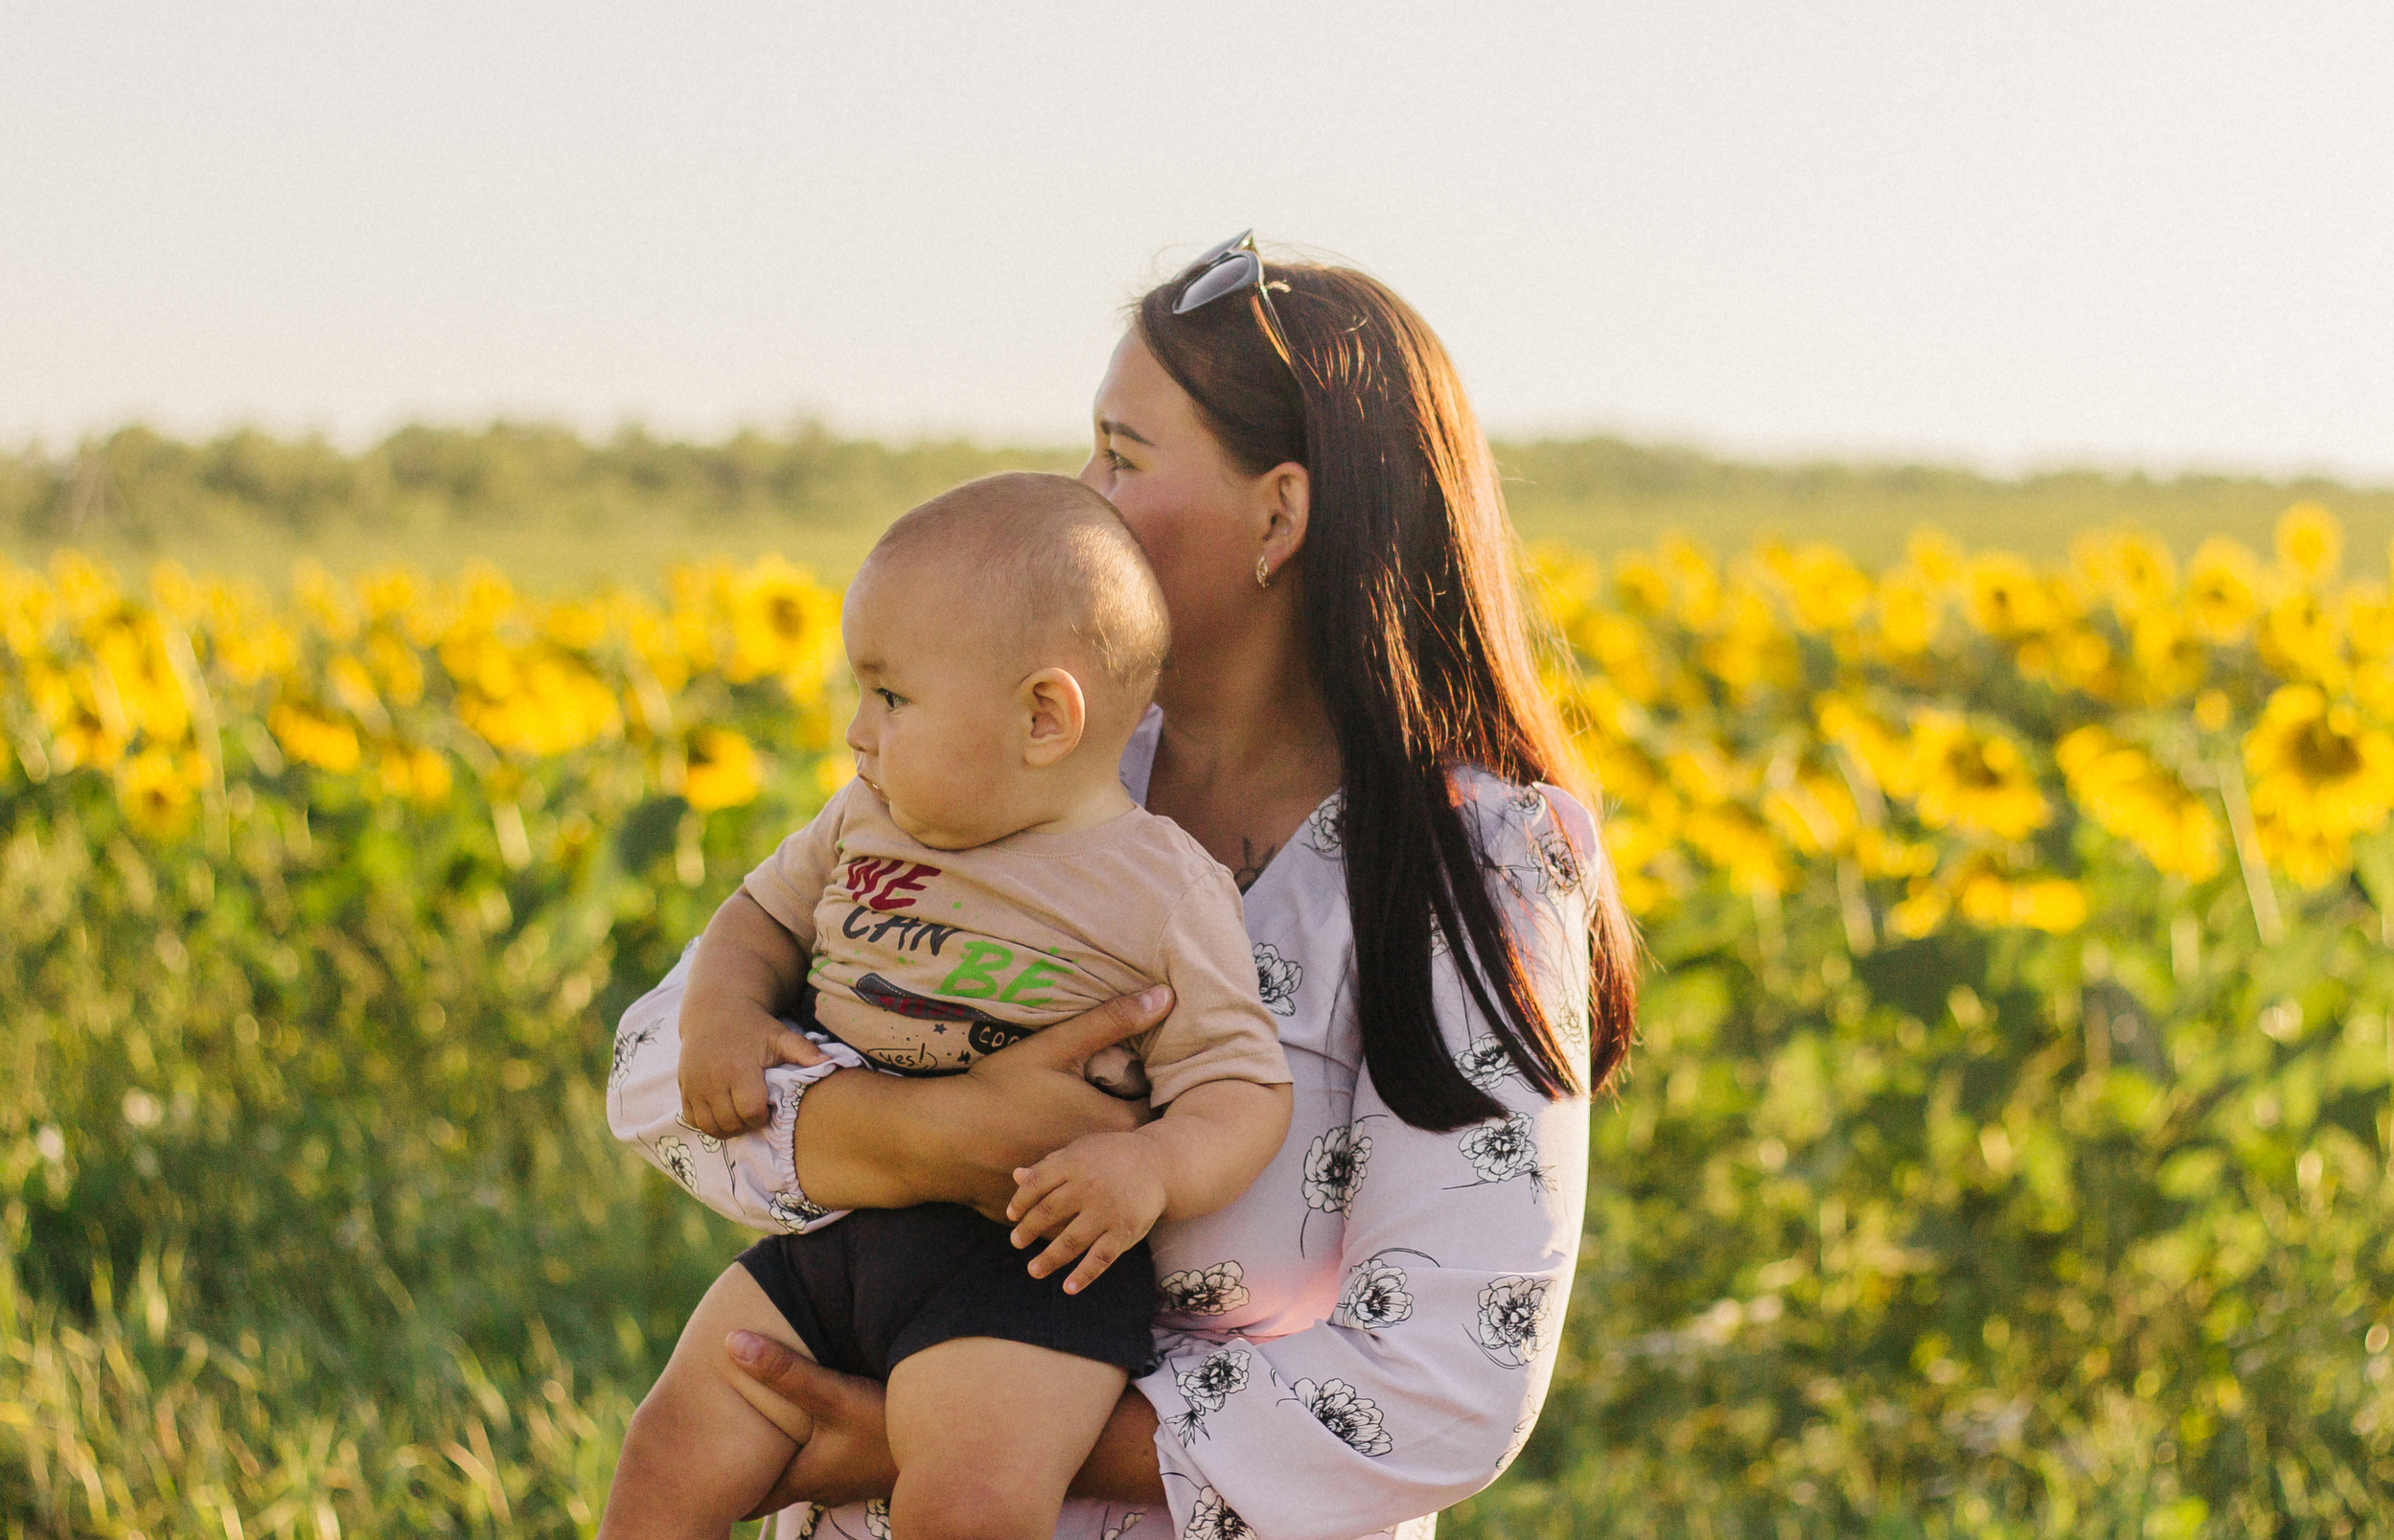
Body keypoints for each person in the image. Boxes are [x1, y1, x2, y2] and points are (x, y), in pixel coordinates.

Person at [610, 231, 1642, 1540]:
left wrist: (963, 1435)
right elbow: (656, 1072)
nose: (1078, 494)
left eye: (1122, 454)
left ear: (1278, 516)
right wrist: (936, 1132)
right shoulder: (1019, 754)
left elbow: (1449, 1386)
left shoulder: (1471, 868)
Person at [601, 473, 1295, 1540]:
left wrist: (1151, 1167)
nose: (856, 732)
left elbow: (1239, 1086)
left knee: (966, 1505)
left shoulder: (1161, 886)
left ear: (1043, 717)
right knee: (670, 1448)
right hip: (842, 1230)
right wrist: (723, 1017)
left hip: (1024, 1272)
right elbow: (755, 921)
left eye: (890, 696)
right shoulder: (863, 818)